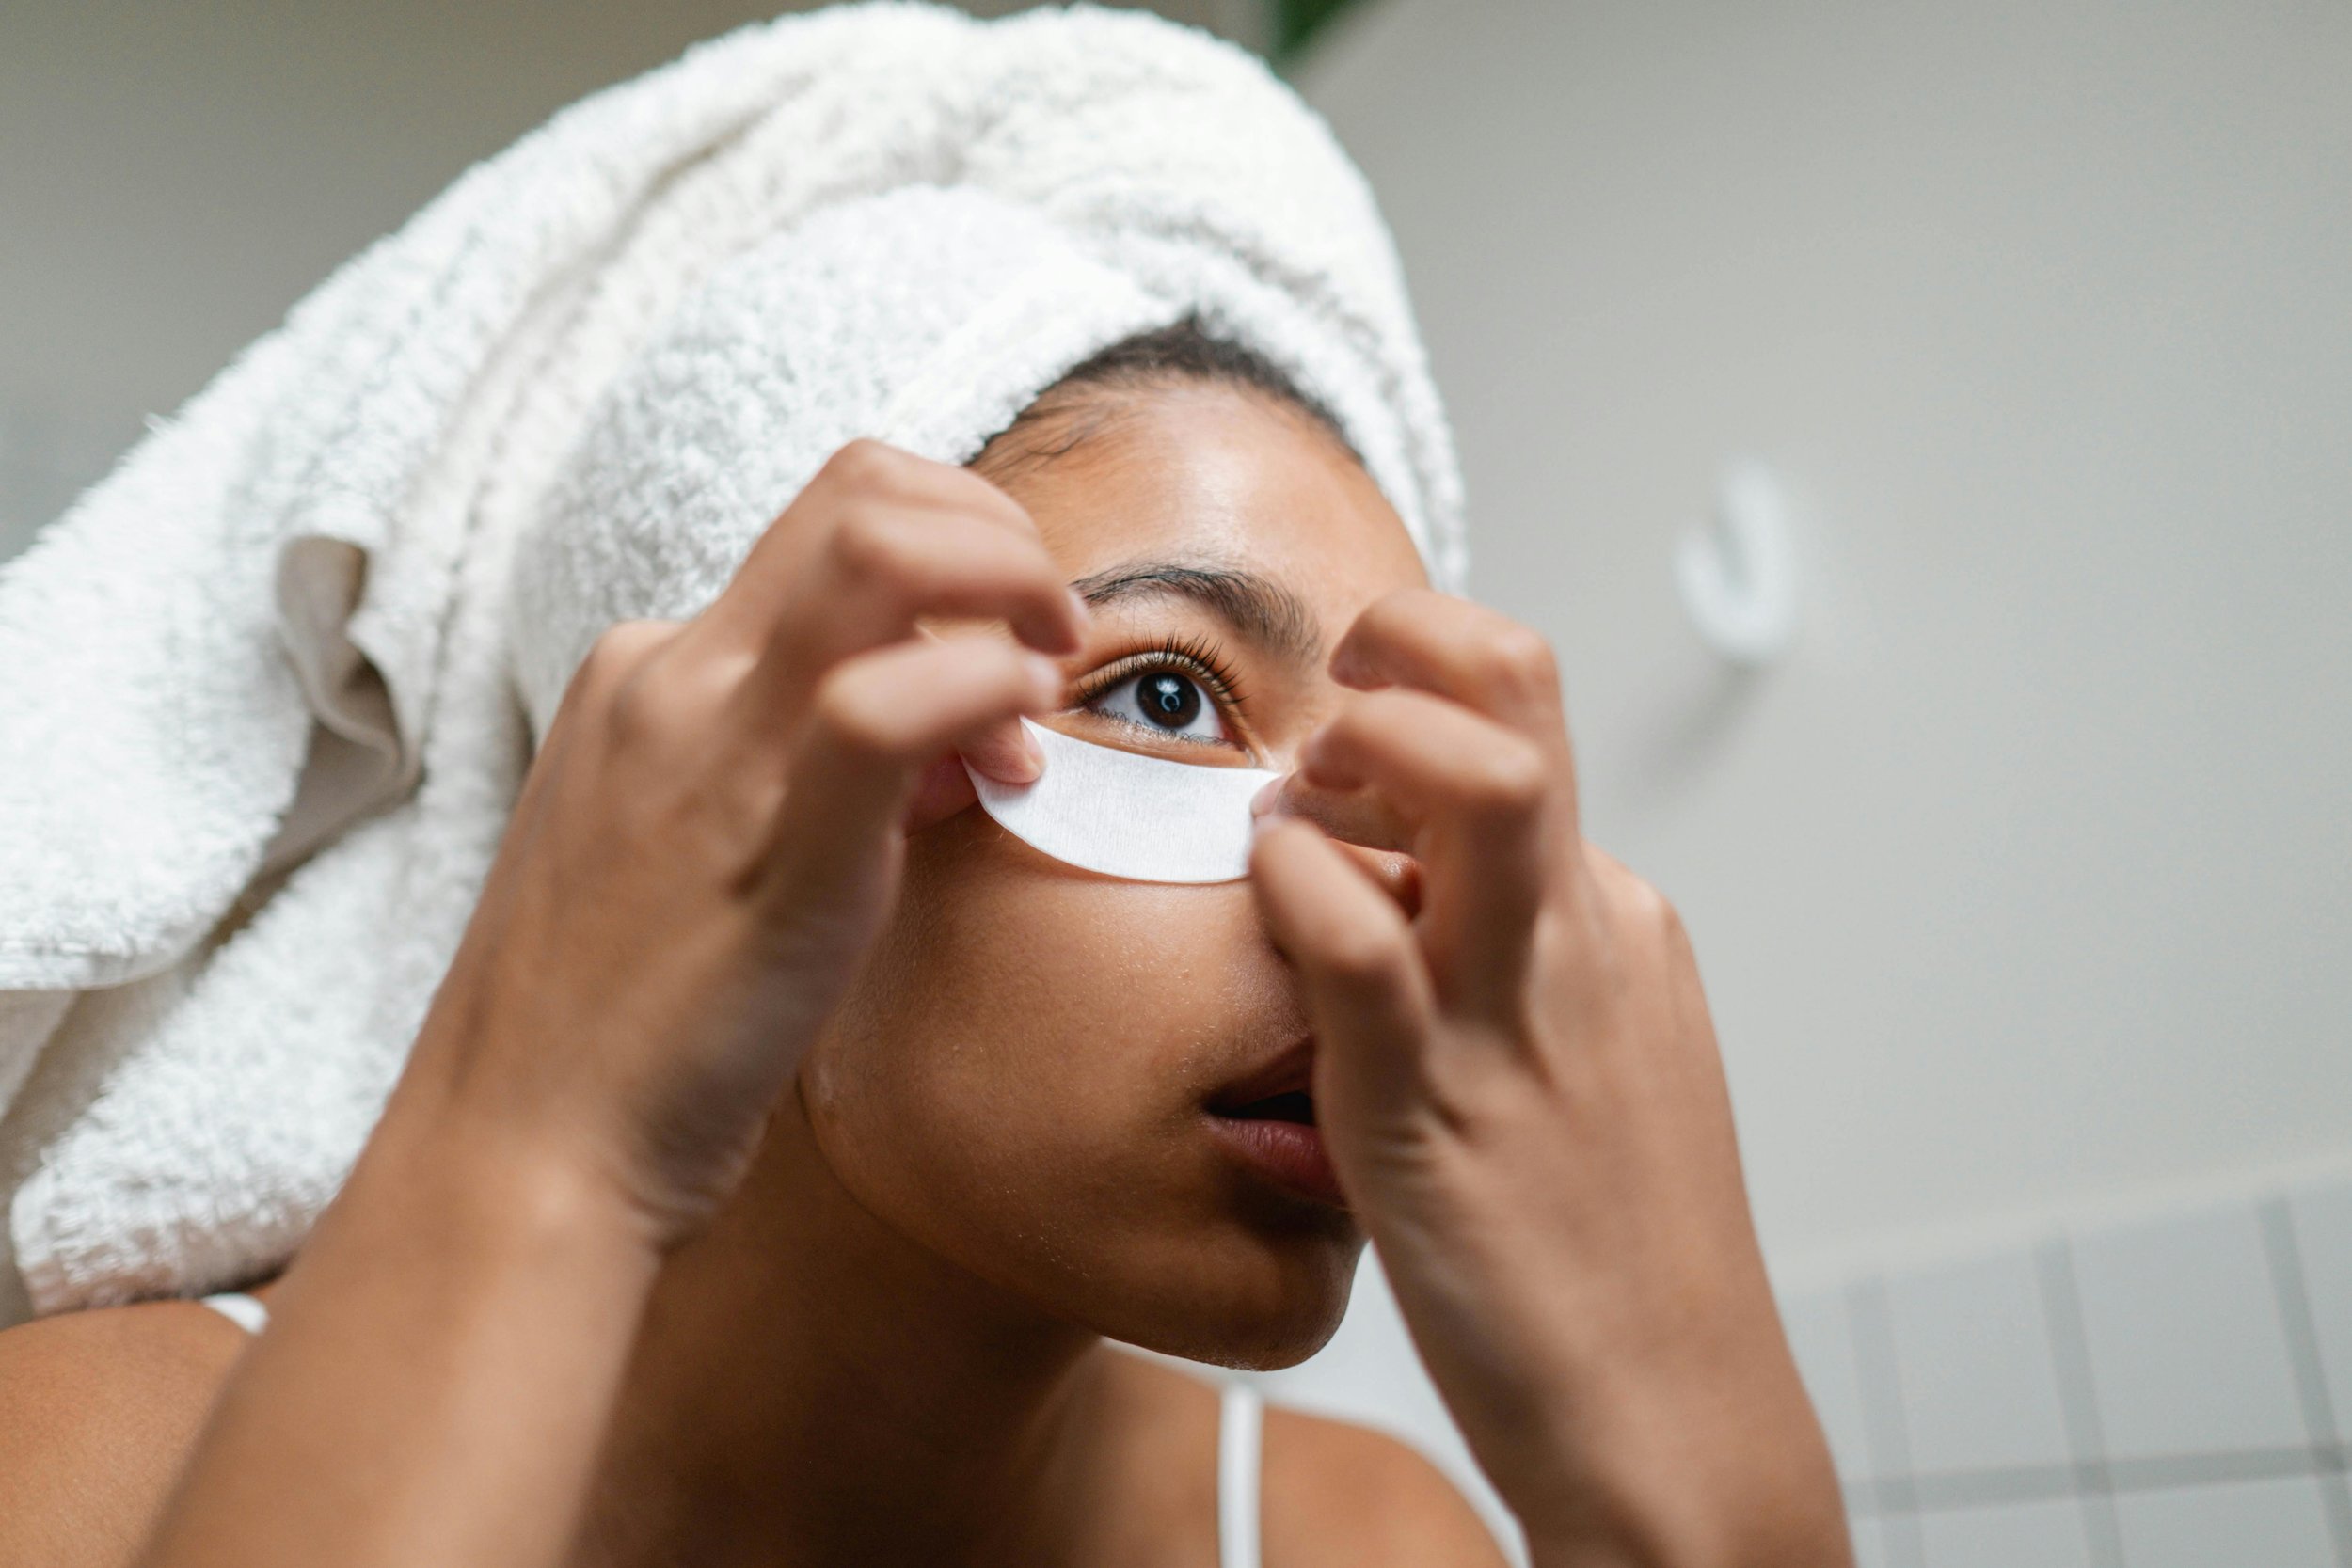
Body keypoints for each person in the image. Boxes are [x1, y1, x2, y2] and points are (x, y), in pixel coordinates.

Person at [0, 13, 1848, 1568]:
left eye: (1384, 777)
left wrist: (1698, 1490)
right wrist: (529, 1139)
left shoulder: (1357, 1543)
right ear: (701, 803)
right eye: (1162, 692)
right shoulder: (98, 1470)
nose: (1366, 900)